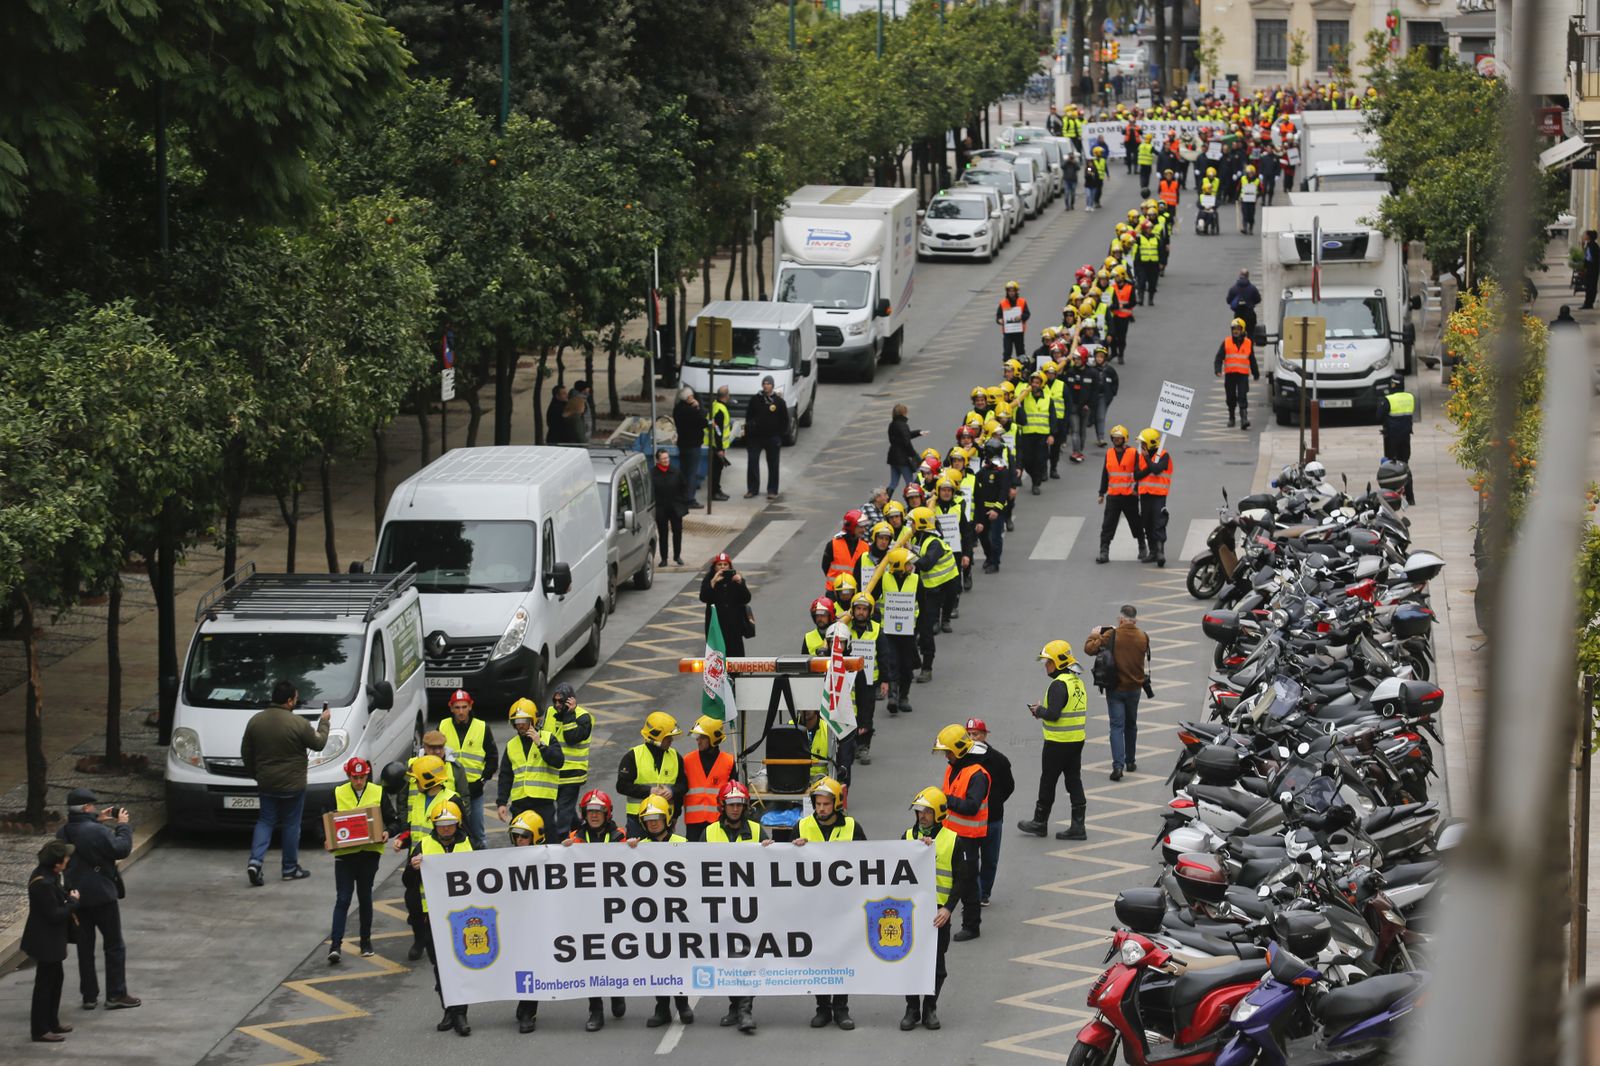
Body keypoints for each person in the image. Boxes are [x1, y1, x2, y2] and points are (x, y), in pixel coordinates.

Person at [241, 680, 330, 885]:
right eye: (296, 698)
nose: (296, 701)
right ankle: (289, 868)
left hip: (266, 783)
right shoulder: (298, 724)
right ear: (289, 701)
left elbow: (246, 752)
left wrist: (256, 774)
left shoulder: (256, 721)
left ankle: (255, 861)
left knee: (265, 821)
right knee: (291, 824)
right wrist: (324, 721)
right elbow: (319, 743)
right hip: (293, 786)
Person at [56, 789, 137, 1013]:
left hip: (77, 897)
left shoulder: (62, 832)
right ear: (85, 808)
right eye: (91, 807)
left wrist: (96, 818)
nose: (94, 809)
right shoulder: (97, 831)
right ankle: (116, 994)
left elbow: (81, 831)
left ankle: (89, 996)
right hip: (102, 896)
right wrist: (122, 825)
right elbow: (121, 849)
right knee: (114, 945)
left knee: (85, 947)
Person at [794, 777, 864, 1031]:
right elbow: (784, 865)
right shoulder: (801, 826)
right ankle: (822, 1007)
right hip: (813, 907)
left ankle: (841, 1008)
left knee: (842, 956)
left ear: (836, 804)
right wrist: (793, 848)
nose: (821, 809)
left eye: (826, 804)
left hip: (843, 907)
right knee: (820, 957)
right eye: (818, 804)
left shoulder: (853, 827)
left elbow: (869, 862)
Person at [562, 791, 629, 1031]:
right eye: (590, 812)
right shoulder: (574, 839)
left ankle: (616, 991)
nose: (594, 816)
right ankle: (596, 1010)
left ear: (607, 813)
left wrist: (634, 849)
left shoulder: (620, 836)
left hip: (615, 909)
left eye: (598, 812)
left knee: (614, 954)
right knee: (592, 959)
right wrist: (562, 852)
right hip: (586, 910)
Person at [626, 797, 696, 1028]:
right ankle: (662, 1007)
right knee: (658, 960)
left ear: (667, 818)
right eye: (648, 819)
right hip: (652, 915)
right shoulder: (638, 846)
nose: (653, 823)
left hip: (678, 913)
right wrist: (630, 851)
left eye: (657, 818)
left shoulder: (683, 842)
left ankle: (682, 1003)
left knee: (679, 958)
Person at [900, 788, 960, 1032]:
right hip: (910, 911)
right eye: (919, 811)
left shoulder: (952, 839)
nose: (922, 816)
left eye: (927, 811)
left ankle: (930, 1007)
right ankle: (912, 1008)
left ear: (938, 814)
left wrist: (948, 909)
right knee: (909, 962)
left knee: (937, 964)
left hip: (938, 913)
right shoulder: (906, 837)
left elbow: (964, 879)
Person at [1017, 641, 1091, 840]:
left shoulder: (1058, 685)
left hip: (1058, 743)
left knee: (1048, 781)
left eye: (1048, 662)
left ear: (1058, 662)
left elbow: (1054, 714)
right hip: (1076, 741)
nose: (1045, 666)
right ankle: (1078, 826)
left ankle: (1040, 822)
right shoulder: (1077, 682)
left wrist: (1038, 711)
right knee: (1074, 780)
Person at [413, 799, 473, 1036]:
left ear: (457, 824)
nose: (446, 829)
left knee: (459, 964)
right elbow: (409, 885)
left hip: (463, 917)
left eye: (449, 824)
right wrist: (413, 869)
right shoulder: (423, 846)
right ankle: (448, 1008)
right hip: (433, 917)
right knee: (440, 965)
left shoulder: (469, 845)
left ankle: (460, 1013)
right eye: (441, 824)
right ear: (434, 825)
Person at [392, 754, 458, 960]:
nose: (414, 782)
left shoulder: (451, 800)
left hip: (440, 862)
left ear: (427, 779)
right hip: (418, 859)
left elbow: (464, 833)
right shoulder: (419, 798)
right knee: (414, 901)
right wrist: (403, 839)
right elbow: (416, 827)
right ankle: (419, 940)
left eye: (417, 778)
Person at [326, 757, 389, 964]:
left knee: (364, 897)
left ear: (367, 775)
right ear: (348, 776)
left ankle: (365, 942)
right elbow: (323, 821)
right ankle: (335, 946)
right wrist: (324, 839)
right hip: (345, 856)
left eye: (362, 777)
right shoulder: (337, 792)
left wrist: (388, 832)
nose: (359, 781)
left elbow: (393, 820)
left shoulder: (378, 792)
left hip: (369, 854)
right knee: (343, 899)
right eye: (355, 777)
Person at [932, 724, 989, 941]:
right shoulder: (952, 768)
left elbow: (971, 806)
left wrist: (946, 800)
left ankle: (972, 925)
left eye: (948, 751)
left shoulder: (977, 775)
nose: (946, 756)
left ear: (958, 750)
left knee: (968, 880)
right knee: (952, 877)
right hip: (951, 835)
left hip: (968, 838)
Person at [1085, 605, 1151, 780]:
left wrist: (1095, 633)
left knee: (1116, 726)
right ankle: (1130, 761)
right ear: (1135, 621)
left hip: (1115, 689)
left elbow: (1089, 649)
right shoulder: (1143, 636)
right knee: (1131, 725)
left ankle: (1118, 767)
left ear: (1121, 619)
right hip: (1135, 689)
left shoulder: (1112, 635)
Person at [25, 839, 79, 1042]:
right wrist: (73, 902)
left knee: (56, 980)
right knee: (44, 985)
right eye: (65, 857)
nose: (67, 859)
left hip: (52, 939)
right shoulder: (43, 883)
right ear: (57, 863)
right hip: (44, 940)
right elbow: (54, 914)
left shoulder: (51, 876)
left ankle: (51, 1021)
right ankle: (40, 1029)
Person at [436, 688, 496, 849]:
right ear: (451, 708)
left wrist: (482, 781)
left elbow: (492, 759)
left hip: (474, 791)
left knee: (477, 835)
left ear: (470, 706)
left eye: (464, 707)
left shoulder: (482, 728)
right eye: (457, 707)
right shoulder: (442, 726)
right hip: (449, 792)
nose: (461, 711)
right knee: (448, 835)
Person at [494, 698, 565, 831]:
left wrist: (541, 745)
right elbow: (505, 776)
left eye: (524, 722)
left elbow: (559, 761)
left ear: (532, 720)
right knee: (521, 843)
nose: (520, 725)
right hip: (520, 805)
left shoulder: (547, 738)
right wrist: (502, 803)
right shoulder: (511, 745)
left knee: (549, 842)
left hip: (543, 803)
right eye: (517, 722)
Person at [965, 718, 1013, 907]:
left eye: (975, 734)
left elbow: (1009, 786)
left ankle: (983, 893)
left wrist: (995, 803)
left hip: (993, 820)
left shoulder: (999, 760)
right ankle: (974, 895)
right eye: (969, 734)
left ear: (985, 735)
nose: (972, 738)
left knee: (990, 859)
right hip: (969, 820)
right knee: (970, 860)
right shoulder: (962, 758)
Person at [507, 810, 546, 1034]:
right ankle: (524, 1004)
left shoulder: (550, 857)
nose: (520, 841)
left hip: (540, 922)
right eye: (517, 836)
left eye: (524, 836)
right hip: (517, 922)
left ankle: (528, 1012)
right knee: (519, 964)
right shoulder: (507, 859)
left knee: (532, 964)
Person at [617, 711, 686, 838]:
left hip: (665, 818)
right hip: (637, 820)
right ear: (657, 737)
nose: (671, 740)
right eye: (667, 737)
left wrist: (672, 792)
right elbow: (622, 786)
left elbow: (683, 785)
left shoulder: (676, 757)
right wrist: (650, 791)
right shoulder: (633, 756)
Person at [909, 506, 957, 678]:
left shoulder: (934, 542)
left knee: (926, 629)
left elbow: (926, 563)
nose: (910, 526)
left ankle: (927, 668)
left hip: (939, 590)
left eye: (912, 523)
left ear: (920, 524)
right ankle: (915, 660)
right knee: (911, 630)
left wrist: (909, 557)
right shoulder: (918, 538)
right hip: (923, 589)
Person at [843, 591, 886, 764]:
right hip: (849, 680)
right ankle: (851, 744)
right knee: (849, 712)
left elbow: (883, 656)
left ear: (870, 611)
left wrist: (885, 680)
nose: (861, 612)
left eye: (864, 609)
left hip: (869, 681)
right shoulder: (845, 628)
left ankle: (864, 747)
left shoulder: (876, 630)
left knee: (866, 713)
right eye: (858, 608)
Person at [545, 682, 592, 838]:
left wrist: (568, 715)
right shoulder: (550, 713)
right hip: (554, 773)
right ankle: (580, 831)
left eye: (561, 701)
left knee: (563, 810)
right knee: (568, 809)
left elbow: (571, 738)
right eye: (555, 701)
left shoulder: (583, 717)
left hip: (572, 774)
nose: (557, 705)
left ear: (570, 701)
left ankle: (562, 839)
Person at [877, 548, 921, 713]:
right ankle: (893, 697)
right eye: (908, 563)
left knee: (907, 665)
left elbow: (921, 604)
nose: (911, 566)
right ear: (900, 566)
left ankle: (904, 697)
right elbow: (871, 597)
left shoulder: (916, 580)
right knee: (892, 662)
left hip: (909, 632)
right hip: (888, 632)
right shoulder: (883, 579)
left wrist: (921, 631)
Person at [682, 716, 736, 841]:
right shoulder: (687, 760)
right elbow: (681, 789)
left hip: (719, 822)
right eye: (698, 737)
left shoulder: (729, 762)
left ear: (713, 739)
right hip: (694, 824)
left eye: (703, 737)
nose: (698, 741)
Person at [1095, 426, 1144, 564]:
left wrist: (1137, 489)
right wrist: (1101, 493)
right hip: (1114, 496)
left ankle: (1142, 546)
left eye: (1119, 438)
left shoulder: (1134, 453)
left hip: (1130, 496)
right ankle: (1104, 551)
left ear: (1125, 438)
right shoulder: (1109, 453)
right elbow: (1105, 474)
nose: (1116, 440)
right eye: (1114, 438)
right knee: (1108, 525)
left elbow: (1140, 473)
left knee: (1136, 523)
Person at [973, 438, 1016, 573]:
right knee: (983, 536)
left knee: (995, 538)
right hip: (982, 510)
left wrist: (996, 510)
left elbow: (1003, 493)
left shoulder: (1002, 471)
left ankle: (995, 563)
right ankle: (989, 557)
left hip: (996, 512)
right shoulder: (985, 469)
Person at [699, 551, 751, 657]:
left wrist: (740, 583)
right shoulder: (709, 579)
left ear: (729, 566)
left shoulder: (736, 579)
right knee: (716, 658)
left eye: (725, 564)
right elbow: (703, 597)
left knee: (735, 656)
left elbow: (746, 598)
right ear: (714, 567)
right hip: (715, 625)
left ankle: (735, 673)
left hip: (734, 625)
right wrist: (713, 582)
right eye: (719, 564)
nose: (722, 567)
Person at [1134, 428, 1174, 567]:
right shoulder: (1140, 457)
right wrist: (1149, 464)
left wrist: (1147, 460)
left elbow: (1157, 470)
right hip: (1145, 495)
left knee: (1159, 523)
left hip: (1158, 496)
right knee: (1147, 523)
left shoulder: (1164, 455)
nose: (1141, 446)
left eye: (1143, 443)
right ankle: (1152, 552)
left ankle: (1160, 552)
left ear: (1150, 444)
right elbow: (1137, 475)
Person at [743, 376, 787, 499]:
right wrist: (750, 430)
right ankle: (752, 489)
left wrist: (779, 437)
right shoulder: (755, 399)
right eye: (764, 383)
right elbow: (748, 416)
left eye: (768, 384)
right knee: (752, 463)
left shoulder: (779, 402)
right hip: (755, 438)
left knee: (773, 465)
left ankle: (772, 490)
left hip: (772, 438)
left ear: (772, 385)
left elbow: (784, 421)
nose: (766, 386)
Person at [1214, 317, 1259, 429]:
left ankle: (1244, 419)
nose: (1235, 331)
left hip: (1242, 375)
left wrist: (1255, 372)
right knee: (1231, 397)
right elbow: (1219, 358)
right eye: (1234, 329)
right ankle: (1231, 417)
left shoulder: (1248, 343)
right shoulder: (1227, 342)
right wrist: (1218, 370)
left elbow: (1252, 359)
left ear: (1242, 330)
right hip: (1230, 375)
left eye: (1238, 329)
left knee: (1242, 396)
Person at [1013, 370, 1053, 495]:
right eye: (1033, 382)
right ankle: (1034, 477)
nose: (1034, 384)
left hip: (1042, 435)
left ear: (1042, 384)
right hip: (1027, 434)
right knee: (1027, 460)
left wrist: (1051, 434)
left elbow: (1052, 417)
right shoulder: (1025, 396)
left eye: (1037, 382)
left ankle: (1036, 483)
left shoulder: (1047, 399)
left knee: (1040, 460)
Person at [651, 448, 689, 567]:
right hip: (661, 508)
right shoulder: (652, 474)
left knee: (677, 531)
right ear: (658, 460)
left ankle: (677, 556)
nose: (666, 460)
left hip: (675, 507)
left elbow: (684, 487)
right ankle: (664, 558)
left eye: (667, 458)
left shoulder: (676, 472)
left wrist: (682, 502)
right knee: (663, 533)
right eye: (663, 459)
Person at [672, 387, 707, 507]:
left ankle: (682, 496)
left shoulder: (677, 409)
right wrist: (697, 407)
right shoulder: (691, 411)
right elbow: (703, 422)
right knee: (692, 473)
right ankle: (690, 499)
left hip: (682, 444)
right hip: (693, 445)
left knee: (684, 471)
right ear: (688, 398)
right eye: (691, 397)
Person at [887, 403, 927, 495]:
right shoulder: (903, 425)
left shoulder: (892, 424)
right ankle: (912, 502)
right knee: (910, 483)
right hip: (902, 459)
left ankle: (885, 502)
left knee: (893, 483)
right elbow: (906, 442)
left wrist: (918, 433)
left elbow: (904, 436)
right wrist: (914, 455)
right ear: (903, 413)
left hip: (893, 457)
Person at [822, 509, 868, 582]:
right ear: (852, 526)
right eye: (860, 527)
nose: (864, 530)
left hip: (854, 590)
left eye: (864, 527)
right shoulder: (833, 544)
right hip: (834, 590)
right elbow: (825, 566)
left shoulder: (865, 547)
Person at [704, 384, 733, 502]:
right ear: (726, 396)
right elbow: (718, 431)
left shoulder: (714, 405)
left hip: (713, 444)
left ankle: (716, 489)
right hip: (717, 445)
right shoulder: (721, 410)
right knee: (716, 470)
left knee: (716, 469)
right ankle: (714, 493)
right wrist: (720, 449)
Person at [996, 281, 1030, 359]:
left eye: (1013, 291)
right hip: (1008, 332)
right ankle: (1007, 368)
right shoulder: (1002, 303)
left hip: (1018, 331)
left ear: (1016, 291)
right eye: (1009, 291)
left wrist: (1021, 317)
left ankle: (1022, 367)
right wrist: (1000, 320)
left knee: (1020, 351)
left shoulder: (1022, 302)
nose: (1011, 293)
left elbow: (1027, 314)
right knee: (1007, 351)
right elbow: (998, 316)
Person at [1225, 268, 1261, 338]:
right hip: (1250, 315)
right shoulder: (1252, 288)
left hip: (1238, 315)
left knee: (1237, 335)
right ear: (1248, 276)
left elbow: (1228, 300)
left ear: (1240, 275)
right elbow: (1258, 299)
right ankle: (1249, 347)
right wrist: (1251, 302)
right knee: (1251, 334)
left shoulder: (1233, 288)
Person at [1237, 164, 1261, 234]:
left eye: (1252, 173)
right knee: (1245, 214)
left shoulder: (1257, 180)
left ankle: (1251, 228)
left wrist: (1257, 196)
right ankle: (1245, 228)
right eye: (1249, 173)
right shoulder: (1243, 179)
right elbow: (1238, 188)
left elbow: (1261, 190)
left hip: (1252, 201)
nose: (1250, 174)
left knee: (1251, 215)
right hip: (1244, 200)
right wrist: (1237, 197)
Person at [1584, 231, 1599, 310]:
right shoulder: (1591, 245)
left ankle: (1588, 303)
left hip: (1592, 270)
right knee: (1589, 286)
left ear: (1589, 236)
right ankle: (1588, 303)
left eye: (1585, 235)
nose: (1584, 236)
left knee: (1591, 287)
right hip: (1592, 269)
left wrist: (1585, 267)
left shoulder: (1592, 246)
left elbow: (1589, 258)